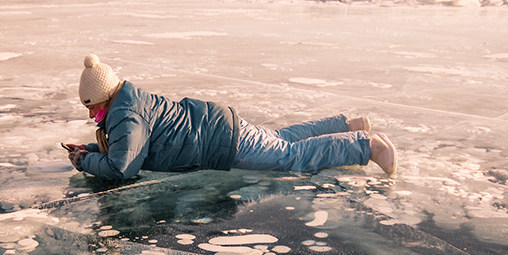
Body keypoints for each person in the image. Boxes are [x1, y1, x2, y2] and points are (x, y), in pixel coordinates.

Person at [65, 55, 397, 180]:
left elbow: (123, 167)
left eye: (92, 107)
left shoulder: (126, 116)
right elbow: (127, 151)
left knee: (289, 157)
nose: (92, 115)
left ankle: (365, 146)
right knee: (280, 139)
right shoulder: (128, 102)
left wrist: (84, 163)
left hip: (221, 141)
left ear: (105, 98)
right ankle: (346, 125)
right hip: (218, 124)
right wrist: (91, 151)